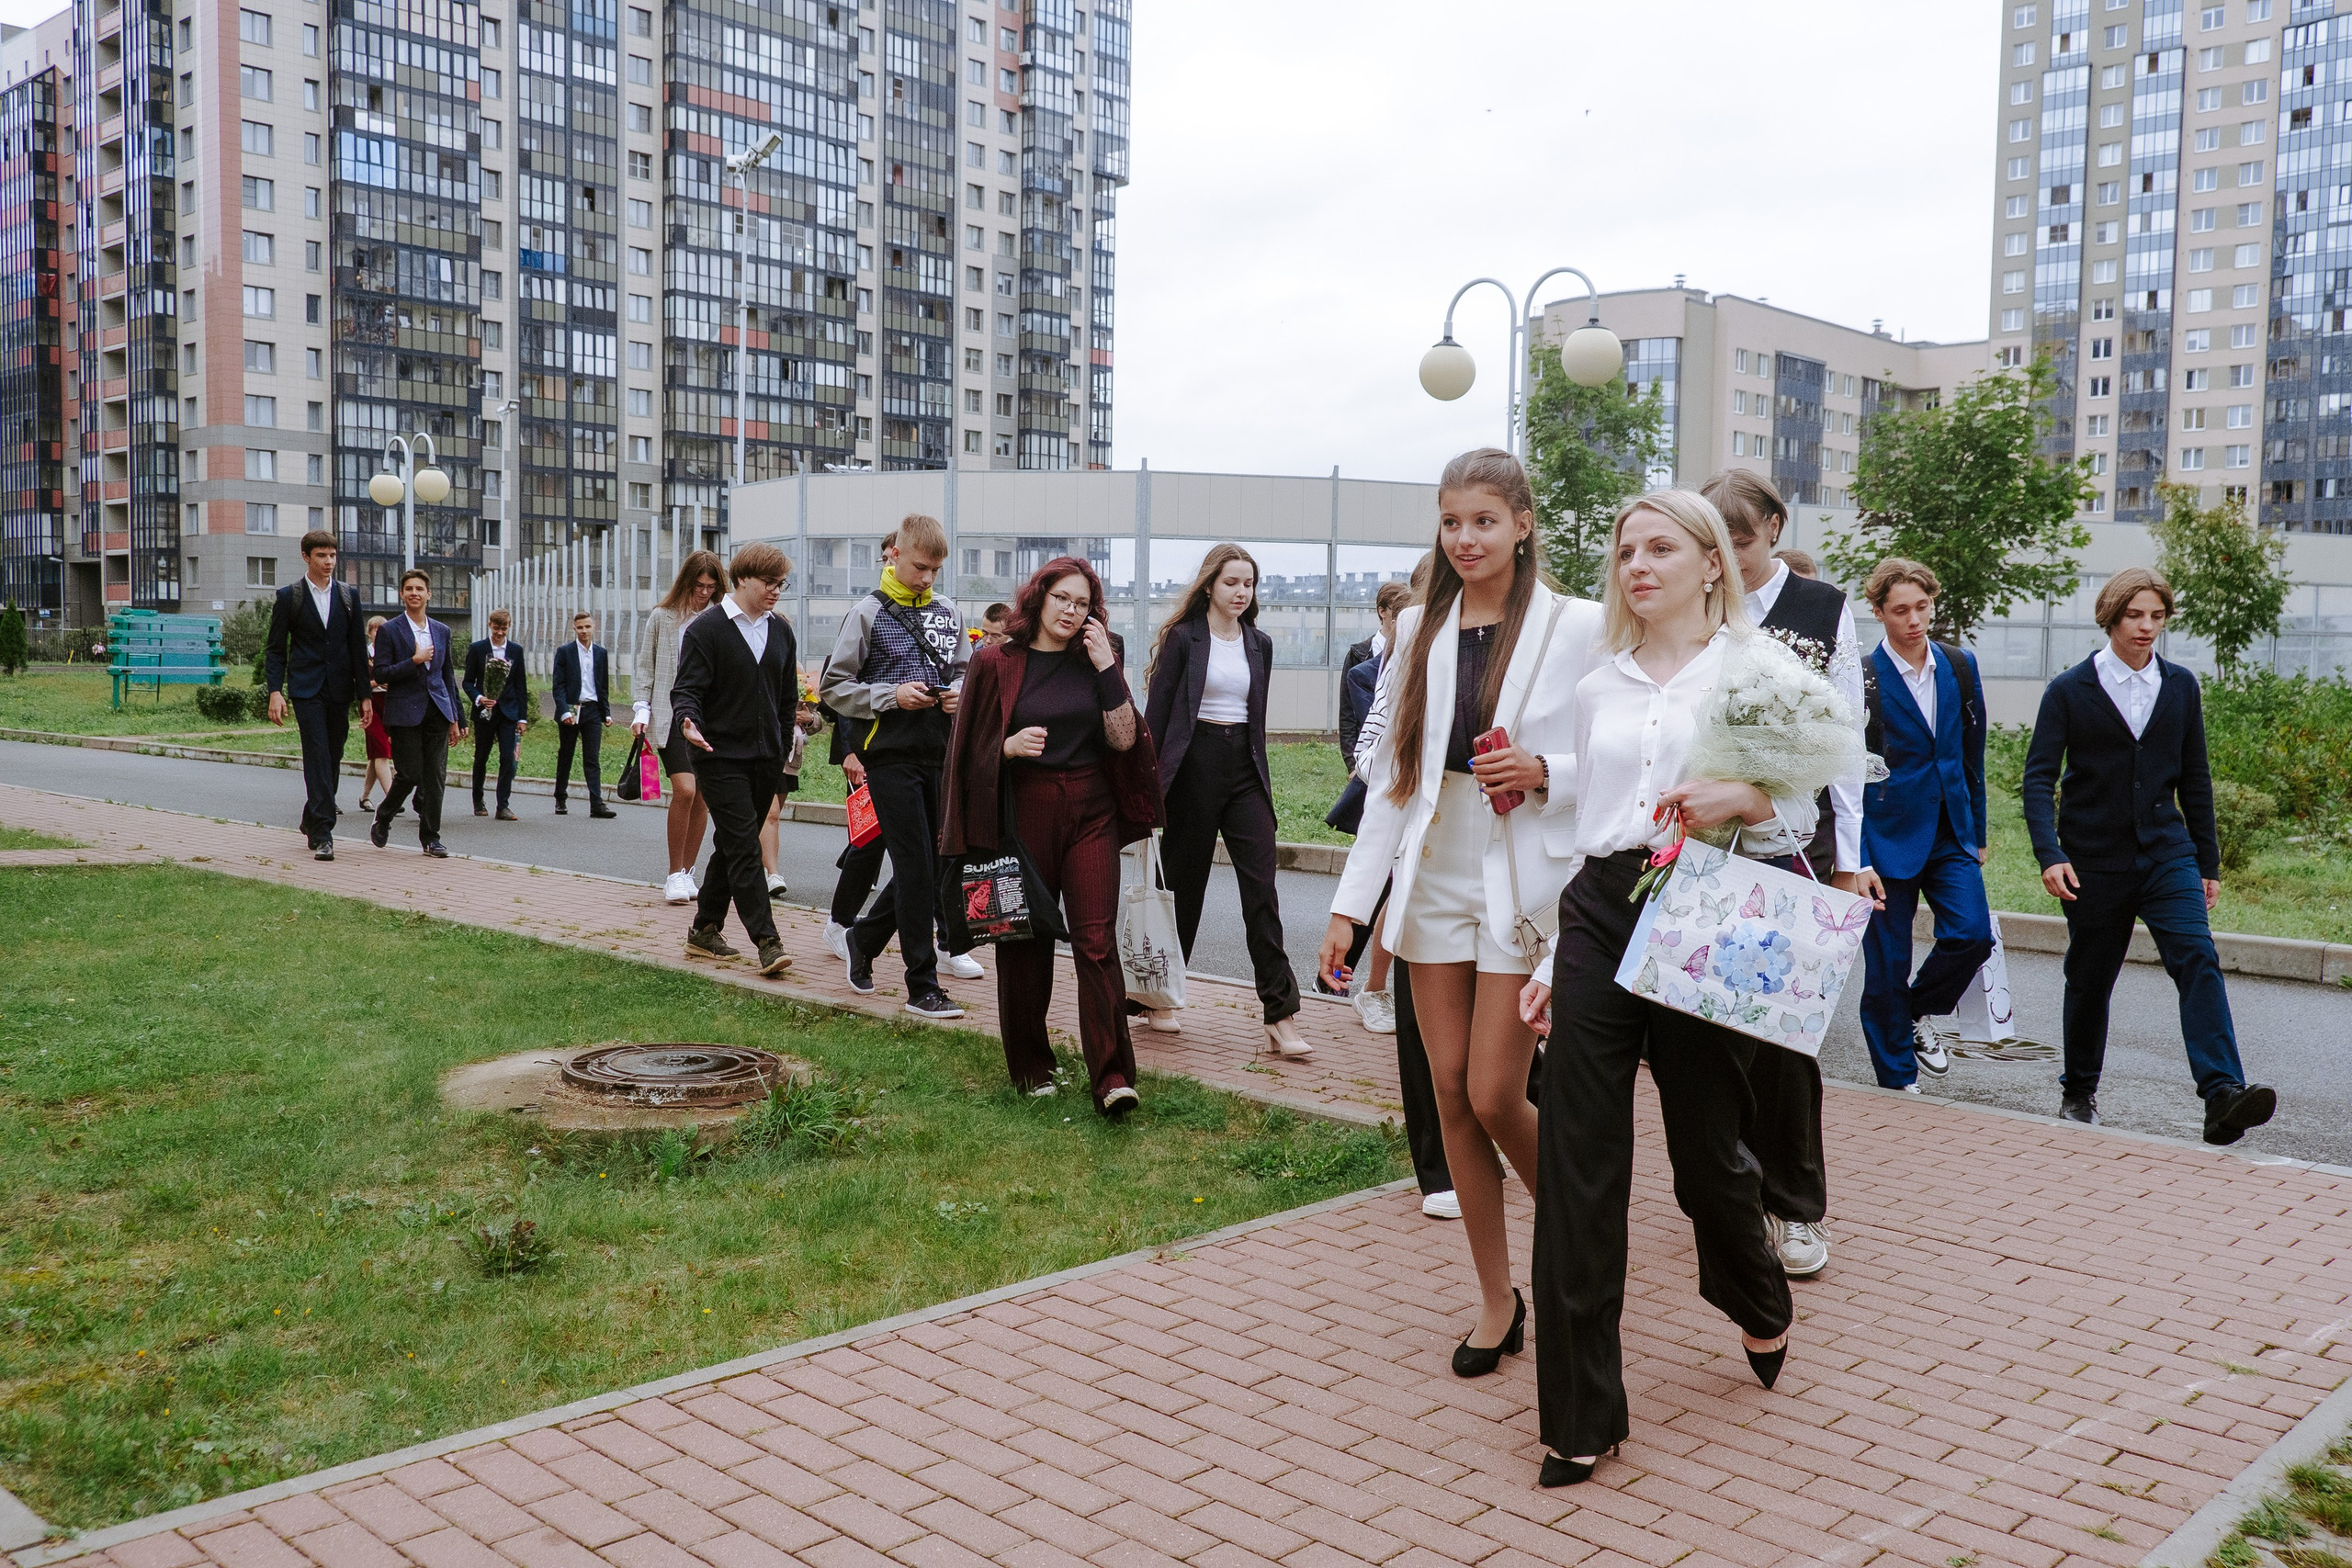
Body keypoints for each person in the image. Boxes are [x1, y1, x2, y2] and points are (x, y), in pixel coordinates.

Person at [1522, 488, 1814, 1488]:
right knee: (1577, 1161)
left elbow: (1804, 810)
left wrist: (1747, 794)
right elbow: (1588, 829)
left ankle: (1755, 1295)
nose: (1637, 566)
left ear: (1709, 562)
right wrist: (1550, 963)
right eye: (1624, 551)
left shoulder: (1755, 670)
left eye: (1659, 548)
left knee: (1705, 1155)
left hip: (1702, 911)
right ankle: (1579, 1416)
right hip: (1602, 909)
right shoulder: (1597, 685)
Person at [1317, 448, 1603, 1389]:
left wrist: (1548, 772)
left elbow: (1628, 756)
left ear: (1523, 523)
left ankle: (1584, 1233)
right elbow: (1395, 779)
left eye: (1483, 520)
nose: (1465, 539)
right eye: (1451, 522)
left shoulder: (1579, 625)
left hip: (1523, 870)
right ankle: (1496, 1299)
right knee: (1446, 1094)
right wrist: (1352, 908)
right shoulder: (1419, 629)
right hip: (1434, 863)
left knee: (1492, 1092)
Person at [2023, 567, 2277, 1144]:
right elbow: (2038, 779)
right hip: (2092, 859)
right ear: (2111, 617)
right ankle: (2079, 1090)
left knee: (2197, 958)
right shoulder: (2070, 689)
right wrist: (2049, 853)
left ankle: (2222, 1095)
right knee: (2091, 976)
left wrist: (2207, 863)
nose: (2146, 626)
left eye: (2157, 616)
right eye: (2135, 615)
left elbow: (2195, 778)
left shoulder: (2180, 686)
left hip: (2167, 852)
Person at [1708, 470, 1865, 1281]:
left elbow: (1848, 740)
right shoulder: (1694, 600)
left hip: (1795, 845)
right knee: (1711, 1027)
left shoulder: (1822, 608)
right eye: (1714, 541)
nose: (1728, 556)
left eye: (1739, 539)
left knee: (1784, 1028)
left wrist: (1849, 862)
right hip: (1703, 841)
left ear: (1774, 525)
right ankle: (1729, 1190)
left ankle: (1796, 1204)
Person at [941, 557, 1161, 1113]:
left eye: (1082, 603)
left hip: (1091, 811)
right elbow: (965, 750)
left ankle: (1112, 1077)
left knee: (1096, 942)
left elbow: (1123, 739)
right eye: (1062, 598)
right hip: (1024, 812)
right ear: (1039, 597)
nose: (1071, 611)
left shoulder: (1097, 659)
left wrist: (1108, 667)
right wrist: (1007, 747)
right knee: (1023, 940)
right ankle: (1031, 1068)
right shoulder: (996, 661)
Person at [1143, 544, 1308, 1055]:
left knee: (1262, 889)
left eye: (1249, 584)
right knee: (1183, 888)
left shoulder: (1260, 644)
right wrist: (1145, 790)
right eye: (1232, 582)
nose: (1241, 592)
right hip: (1193, 769)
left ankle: (1280, 1014)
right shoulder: (1183, 639)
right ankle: (1159, 997)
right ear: (1210, 585)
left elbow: (1255, 720)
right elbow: (1157, 716)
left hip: (1244, 772)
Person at [1846, 558, 1994, 1097]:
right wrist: (1857, 857)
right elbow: (1845, 774)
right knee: (1888, 966)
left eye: (1922, 607)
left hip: (1951, 830)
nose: (1913, 620)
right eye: (1900, 610)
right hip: (1884, 835)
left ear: (1933, 603)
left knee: (1972, 935)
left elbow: (1971, 754)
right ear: (1878, 611)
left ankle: (1913, 1011)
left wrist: (1978, 832)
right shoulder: (1860, 677)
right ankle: (1897, 1083)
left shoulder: (1959, 665)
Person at [820, 513, 972, 1020]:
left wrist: (958, 694)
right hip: (888, 757)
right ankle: (922, 985)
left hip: (940, 753)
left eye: (936, 570)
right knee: (914, 868)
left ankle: (863, 938)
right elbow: (833, 687)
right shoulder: (866, 613)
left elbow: (965, 671)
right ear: (895, 554)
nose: (928, 578)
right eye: (920, 567)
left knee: (934, 868)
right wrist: (891, 696)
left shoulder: (948, 612)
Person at [669, 543, 797, 979]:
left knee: (731, 843)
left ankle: (704, 929)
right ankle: (768, 941)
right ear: (742, 578)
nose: (776, 590)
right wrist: (688, 722)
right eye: (769, 582)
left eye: (781, 584)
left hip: (766, 759)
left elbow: (787, 698)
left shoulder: (781, 631)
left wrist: (781, 745)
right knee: (745, 845)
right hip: (717, 757)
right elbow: (686, 689)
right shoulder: (705, 630)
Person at [263, 528, 372, 861]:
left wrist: (365, 695)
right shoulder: (290, 597)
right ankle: (324, 833)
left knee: (333, 757)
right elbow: (275, 650)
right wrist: (275, 691)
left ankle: (311, 817)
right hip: (306, 689)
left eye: (333, 555)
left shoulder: (349, 596)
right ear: (306, 557)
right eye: (321, 555)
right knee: (317, 756)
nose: (328, 562)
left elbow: (358, 649)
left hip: (340, 688)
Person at [1337, 580, 1413, 1032]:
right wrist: (1357, 766)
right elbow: (1361, 731)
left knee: (1399, 891)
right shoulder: (1364, 664)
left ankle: (1371, 986)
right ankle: (1364, 986)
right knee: (1389, 888)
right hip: (1388, 787)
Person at [634, 551, 726, 903]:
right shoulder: (663, 617)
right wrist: (641, 711)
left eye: (711, 586)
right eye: (698, 585)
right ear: (686, 581)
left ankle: (687, 873)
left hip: (710, 718)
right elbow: (646, 668)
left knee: (702, 796)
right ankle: (673, 873)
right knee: (685, 790)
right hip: (670, 714)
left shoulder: (721, 617)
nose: (704, 592)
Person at [369, 569, 465, 857]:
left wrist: (456, 717)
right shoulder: (390, 630)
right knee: (410, 774)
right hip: (404, 712)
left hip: (438, 710)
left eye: (419, 589)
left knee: (435, 776)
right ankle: (384, 814)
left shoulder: (442, 630)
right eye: (409, 589)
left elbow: (447, 676)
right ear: (402, 594)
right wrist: (414, 660)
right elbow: (381, 673)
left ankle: (431, 838)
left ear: (428, 594)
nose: (414, 593)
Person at [464, 610, 531, 820]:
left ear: (509, 626)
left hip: (508, 713)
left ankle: (503, 805)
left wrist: (522, 718)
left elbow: (521, 685)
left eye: (504, 628)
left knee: (507, 758)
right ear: (489, 625)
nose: (500, 633)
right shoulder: (478, 649)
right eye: (496, 628)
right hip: (484, 713)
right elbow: (467, 682)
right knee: (481, 757)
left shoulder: (516, 651)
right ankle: (478, 801)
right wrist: (480, 698)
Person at [551, 611, 617, 818]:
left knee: (592, 758)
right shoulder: (565, 652)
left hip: (592, 710)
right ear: (574, 629)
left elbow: (602, 686)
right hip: (571, 709)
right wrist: (564, 711)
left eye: (587, 627)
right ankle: (560, 798)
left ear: (593, 627)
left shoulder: (600, 653)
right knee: (566, 755)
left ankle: (596, 804)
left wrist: (606, 713)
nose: (584, 631)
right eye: (580, 627)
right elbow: (558, 686)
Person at [356, 615, 395, 814]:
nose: (379, 634)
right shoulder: (363, 655)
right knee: (381, 750)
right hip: (369, 704)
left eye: (383, 630)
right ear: (369, 633)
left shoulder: (391, 654)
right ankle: (392, 799)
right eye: (375, 630)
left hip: (389, 704)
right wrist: (377, 682)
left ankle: (364, 796)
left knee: (376, 755)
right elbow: (357, 682)